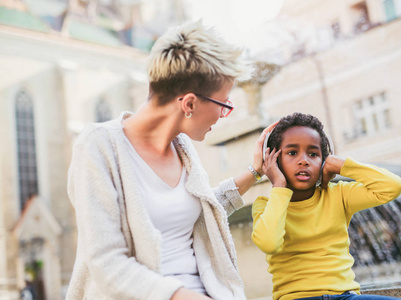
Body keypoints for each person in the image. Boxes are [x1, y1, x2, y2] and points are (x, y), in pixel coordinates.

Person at [66, 21, 275, 300]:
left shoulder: (182, 146)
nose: (224, 116)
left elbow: (203, 215)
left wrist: (255, 171)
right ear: (189, 104)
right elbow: (107, 264)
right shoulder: (98, 147)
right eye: (224, 105)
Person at [251, 112, 401, 300]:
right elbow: (269, 243)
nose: (303, 160)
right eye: (292, 153)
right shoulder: (265, 205)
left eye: (313, 154)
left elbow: (392, 187)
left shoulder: (338, 194)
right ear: (273, 161)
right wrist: (278, 186)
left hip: (345, 297)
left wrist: (340, 165)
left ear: (323, 160)